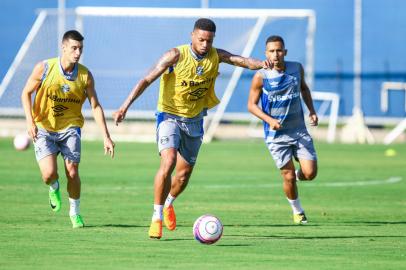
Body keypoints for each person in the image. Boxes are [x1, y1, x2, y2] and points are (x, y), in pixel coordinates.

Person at [113, 18, 270, 239]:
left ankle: (169, 203)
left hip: (195, 120)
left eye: (209, 40)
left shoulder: (217, 55)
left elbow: (242, 61)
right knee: (167, 162)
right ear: (192, 36)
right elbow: (146, 79)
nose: (205, 44)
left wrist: (262, 64)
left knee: (184, 175)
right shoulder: (175, 56)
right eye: (201, 39)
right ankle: (156, 217)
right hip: (169, 116)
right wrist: (124, 106)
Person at [21, 30, 115, 228]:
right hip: (44, 128)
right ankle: (54, 186)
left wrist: (106, 136)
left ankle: (75, 212)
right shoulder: (44, 68)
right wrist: (29, 121)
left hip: (70, 128)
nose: (78, 52)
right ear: (63, 48)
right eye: (74, 48)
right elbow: (25, 93)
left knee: (72, 172)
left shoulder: (85, 75)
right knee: (49, 175)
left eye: (80, 48)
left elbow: (95, 105)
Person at [247, 35, 318, 224]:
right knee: (287, 176)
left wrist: (311, 111)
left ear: (284, 52)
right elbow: (251, 106)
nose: (275, 54)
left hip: (298, 131)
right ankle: (298, 211)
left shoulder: (296, 68)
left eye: (279, 50)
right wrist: (269, 120)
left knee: (310, 174)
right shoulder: (261, 76)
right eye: (271, 51)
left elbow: (304, 88)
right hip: (276, 135)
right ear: (266, 53)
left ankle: (295, 175)